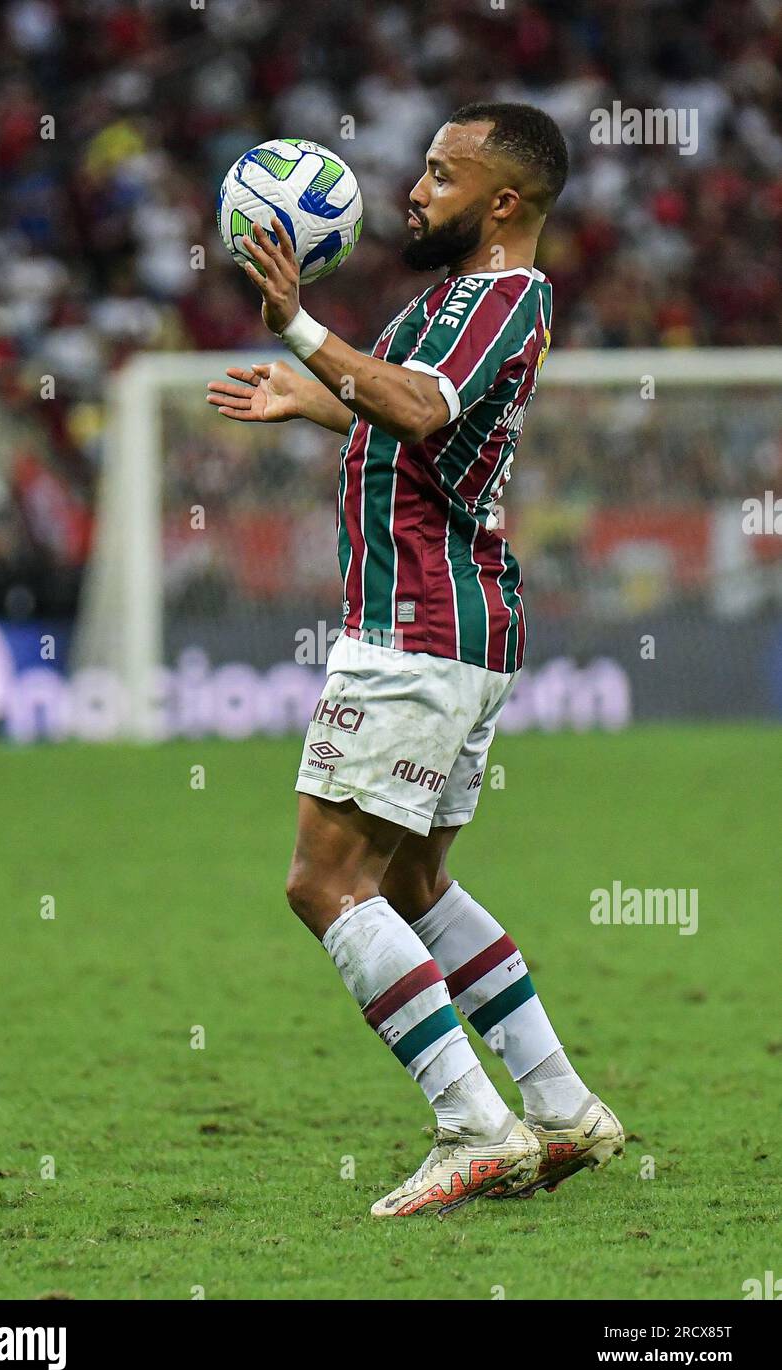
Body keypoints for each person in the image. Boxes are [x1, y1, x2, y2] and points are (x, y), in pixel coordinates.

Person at [207, 103, 623, 1218]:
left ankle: (473, 1125)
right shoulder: (452, 299)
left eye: (441, 175)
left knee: (322, 882)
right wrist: (317, 401)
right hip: (455, 627)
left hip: (416, 630)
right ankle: (563, 1106)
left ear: (503, 203)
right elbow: (408, 433)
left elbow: (417, 408)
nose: (413, 191)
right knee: (409, 879)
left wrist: (302, 329)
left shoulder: (501, 297)